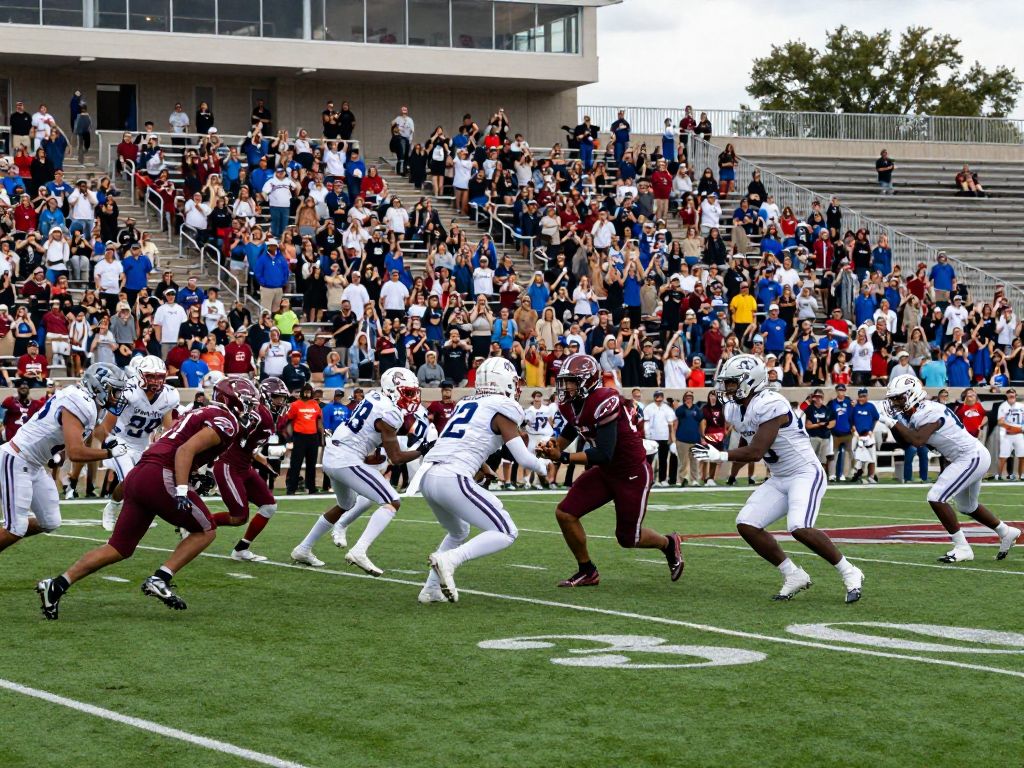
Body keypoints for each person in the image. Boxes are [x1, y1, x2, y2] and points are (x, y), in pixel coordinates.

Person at [35, 378, 259, 619]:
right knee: (206, 530)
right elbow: (184, 450)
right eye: (247, 403)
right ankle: (160, 578)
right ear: (232, 401)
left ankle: (58, 584)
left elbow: (177, 446)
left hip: (141, 472)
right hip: (161, 474)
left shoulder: (202, 412)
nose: (251, 409)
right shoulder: (226, 421)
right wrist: (182, 488)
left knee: (119, 548)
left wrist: (192, 475)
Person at [694, 355, 865, 602]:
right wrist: (731, 470)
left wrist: (719, 455)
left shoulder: (771, 403)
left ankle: (850, 571)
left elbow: (756, 451)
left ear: (749, 382)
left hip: (804, 472)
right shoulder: (734, 408)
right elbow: (747, 442)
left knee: (799, 526)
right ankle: (793, 574)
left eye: (732, 383)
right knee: (747, 523)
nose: (726, 389)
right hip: (780, 476)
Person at [536, 354, 684, 587]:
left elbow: (604, 453)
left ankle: (668, 543)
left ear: (588, 381)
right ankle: (587, 570)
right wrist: (554, 445)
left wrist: (562, 457)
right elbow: (574, 426)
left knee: (628, 538)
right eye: (564, 381)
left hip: (631, 473)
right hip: (606, 472)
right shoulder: (569, 403)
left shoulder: (605, 399)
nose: (565, 387)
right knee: (565, 513)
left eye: (571, 381)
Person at [291, 368, 427, 574]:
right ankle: (359, 550)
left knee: (346, 503)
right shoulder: (390, 413)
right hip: (345, 458)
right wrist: (423, 449)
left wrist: (368, 456)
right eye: (407, 392)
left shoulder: (374, 395)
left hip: (334, 453)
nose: (411, 397)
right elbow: (396, 458)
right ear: (393, 390)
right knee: (392, 501)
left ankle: (303, 548)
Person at [880, 375, 1020, 563]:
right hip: (967, 457)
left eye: (898, 397)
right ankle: (1006, 531)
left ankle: (962, 547)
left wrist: (890, 422)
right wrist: (894, 422)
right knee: (967, 506)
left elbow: (918, 441)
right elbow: (906, 442)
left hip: (970, 456)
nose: (895, 402)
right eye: (894, 398)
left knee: (936, 497)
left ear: (911, 394)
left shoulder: (928, 411)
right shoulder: (917, 412)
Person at [1, 364, 130, 562]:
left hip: (35, 464)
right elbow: (75, 452)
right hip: (17, 459)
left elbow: (96, 429)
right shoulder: (78, 402)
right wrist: (109, 453)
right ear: (98, 387)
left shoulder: (86, 401)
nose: (118, 395)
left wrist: (109, 439)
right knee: (16, 528)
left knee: (49, 522)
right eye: (114, 390)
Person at [96, 356, 180, 532]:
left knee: (143, 482)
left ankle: (121, 509)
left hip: (143, 444)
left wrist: (164, 438)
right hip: (120, 440)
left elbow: (167, 425)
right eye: (151, 376)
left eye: (159, 376)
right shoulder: (128, 392)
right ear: (140, 375)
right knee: (130, 480)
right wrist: (111, 444)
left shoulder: (169, 396)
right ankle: (113, 510)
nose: (156, 381)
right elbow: (105, 427)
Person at [213, 377, 290, 562]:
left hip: (244, 465)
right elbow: (232, 434)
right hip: (228, 465)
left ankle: (241, 549)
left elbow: (248, 444)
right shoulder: (257, 414)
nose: (281, 402)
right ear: (265, 395)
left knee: (269, 506)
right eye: (277, 397)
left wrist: (261, 459)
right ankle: (193, 523)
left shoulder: (266, 414)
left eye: (282, 398)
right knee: (239, 517)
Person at [283, 383, 323, 496]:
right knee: (296, 464)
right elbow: (288, 421)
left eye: (309, 392)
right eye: (305, 392)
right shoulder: (295, 405)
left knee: (312, 464)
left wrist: (322, 437)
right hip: (299, 436)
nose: (307, 394)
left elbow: (319, 421)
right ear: (302, 392)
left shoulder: (315, 404)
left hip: (313, 437)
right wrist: (290, 437)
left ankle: (311, 488)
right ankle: (291, 489)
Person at [643, 390, 676, 487]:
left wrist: (671, 438)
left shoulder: (667, 409)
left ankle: (662, 479)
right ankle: (651, 479)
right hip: (652, 438)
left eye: (660, 396)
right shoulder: (649, 408)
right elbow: (646, 423)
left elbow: (671, 425)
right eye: (657, 396)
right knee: (651, 460)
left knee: (663, 459)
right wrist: (647, 436)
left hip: (664, 437)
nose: (659, 398)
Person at [523, 389, 555, 489]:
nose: (538, 398)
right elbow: (525, 423)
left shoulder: (547, 409)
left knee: (547, 460)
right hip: (533, 436)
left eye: (539, 396)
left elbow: (550, 421)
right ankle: (527, 481)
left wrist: (552, 432)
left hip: (544, 436)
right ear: (533, 398)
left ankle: (545, 481)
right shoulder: (529, 410)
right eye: (536, 396)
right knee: (530, 459)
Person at [849, 387, 880, 484]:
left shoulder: (871, 406)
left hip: (868, 435)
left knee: (872, 457)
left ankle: (871, 476)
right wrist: (855, 432)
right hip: (858, 435)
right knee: (857, 457)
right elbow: (851, 421)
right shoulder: (855, 407)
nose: (862, 398)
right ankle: (857, 474)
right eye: (861, 396)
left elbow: (876, 418)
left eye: (864, 396)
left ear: (867, 396)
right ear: (858, 397)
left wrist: (871, 430)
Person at [995, 388, 1024, 481]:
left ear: (1015, 394)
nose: (1011, 394)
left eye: (1013, 393)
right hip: (1006, 434)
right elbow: (1000, 422)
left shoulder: (1021, 406)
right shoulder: (1003, 406)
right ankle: (999, 475)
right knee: (1003, 456)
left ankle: (1022, 475)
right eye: (1009, 393)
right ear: (1006, 395)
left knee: (1022, 455)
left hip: (1019, 434)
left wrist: (1020, 429)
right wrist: (1013, 428)